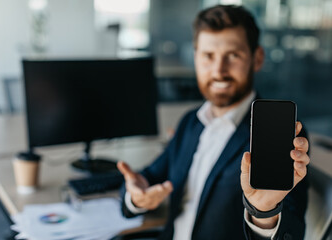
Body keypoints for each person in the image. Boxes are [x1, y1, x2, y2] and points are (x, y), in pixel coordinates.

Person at [118, 5, 310, 240]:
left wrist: (264, 213)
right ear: (195, 57)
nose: (219, 70)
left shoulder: (279, 133)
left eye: (233, 55)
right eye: (208, 56)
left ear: (257, 58)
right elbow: (147, 176)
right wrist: (136, 197)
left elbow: (293, 232)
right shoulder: (191, 122)